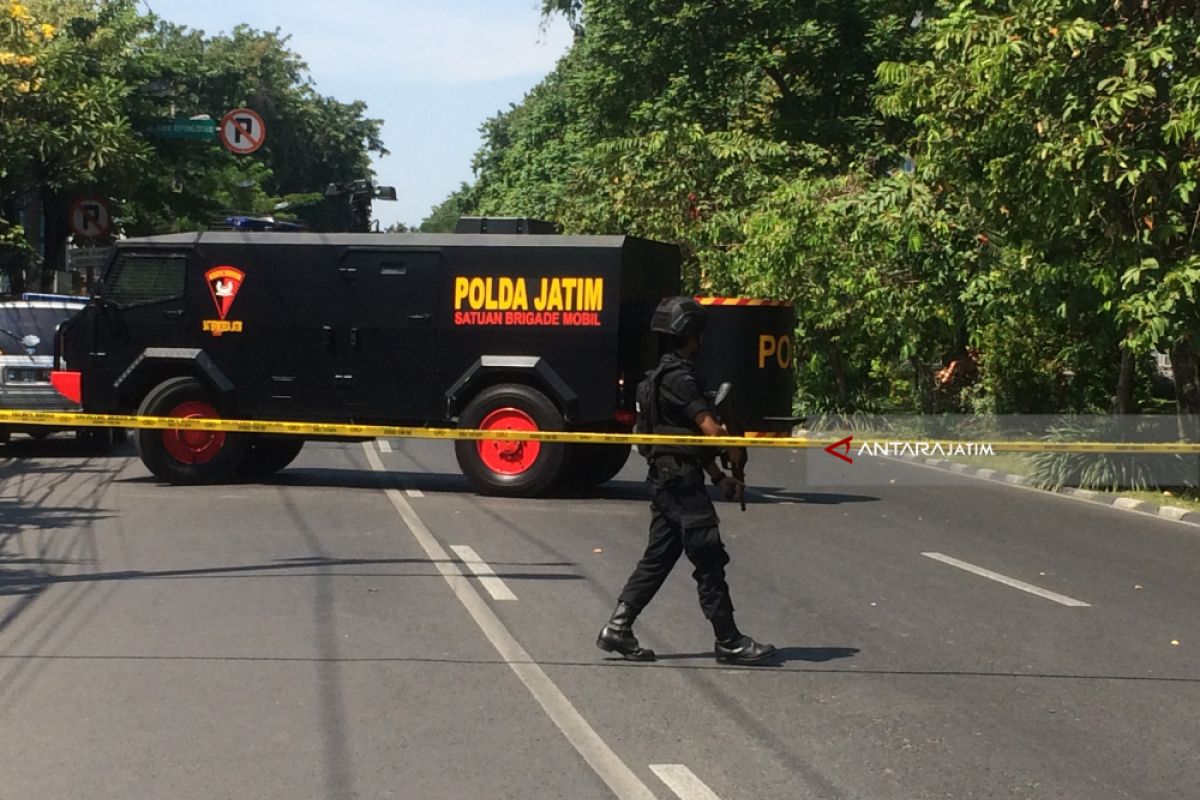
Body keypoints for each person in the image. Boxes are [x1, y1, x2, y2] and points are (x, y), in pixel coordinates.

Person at [596, 296, 776, 665]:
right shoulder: (682, 379)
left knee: (659, 558)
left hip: (669, 479)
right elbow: (709, 430)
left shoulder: (655, 379)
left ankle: (617, 627)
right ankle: (728, 640)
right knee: (709, 557)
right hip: (680, 485)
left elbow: (678, 437)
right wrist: (735, 449)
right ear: (690, 335)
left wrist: (718, 476)